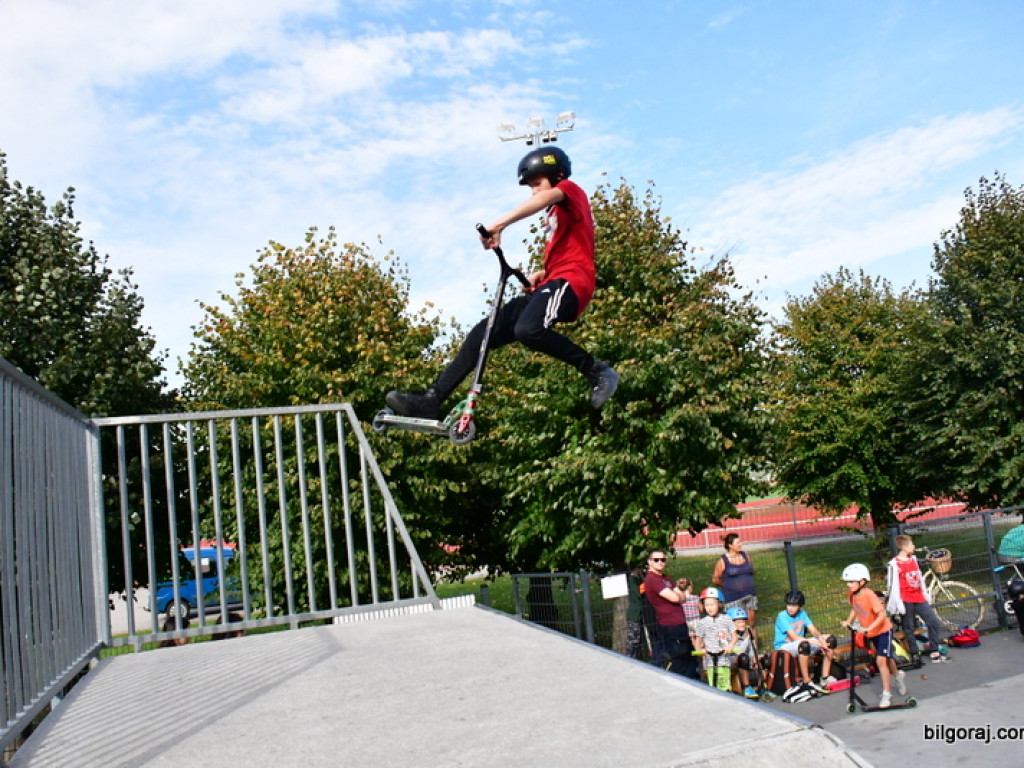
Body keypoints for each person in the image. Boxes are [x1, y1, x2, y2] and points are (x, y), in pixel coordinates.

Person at [385, 146, 619, 420]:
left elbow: (549, 203)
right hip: (554, 280)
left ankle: (596, 370)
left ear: (557, 176)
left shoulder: (570, 190)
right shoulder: (557, 216)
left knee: (528, 330)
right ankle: (431, 400)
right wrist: (540, 275)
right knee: (484, 332)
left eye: (537, 184)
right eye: (530, 187)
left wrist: (499, 224)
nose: (535, 192)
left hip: (573, 283)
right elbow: (568, 249)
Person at [842, 563, 907, 709]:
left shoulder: (869, 595)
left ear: (862, 581)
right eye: (848, 581)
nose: (849, 584)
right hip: (871, 632)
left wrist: (869, 627)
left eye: (852, 581)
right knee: (887, 659)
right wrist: (849, 621)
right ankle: (897, 675)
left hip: (883, 630)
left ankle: (886, 695)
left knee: (880, 661)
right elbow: (855, 608)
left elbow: (882, 615)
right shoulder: (852, 594)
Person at [886, 535, 951, 663]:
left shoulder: (913, 560)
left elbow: (920, 578)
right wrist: (898, 602)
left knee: (933, 622)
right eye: (911, 544)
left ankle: (934, 649)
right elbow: (892, 584)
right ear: (904, 547)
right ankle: (914, 652)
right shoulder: (895, 564)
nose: (913, 547)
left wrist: (925, 593)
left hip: (919, 597)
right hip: (906, 599)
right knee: (909, 627)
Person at [642, 549, 697, 678]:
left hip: (680, 622)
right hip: (670, 624)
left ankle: (693, 681)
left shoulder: (665, 578)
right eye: (656, 560)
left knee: (689, 657)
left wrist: (679, 595)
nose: (660, 562)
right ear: (650, 562)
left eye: (663, 560)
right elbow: (676, 598)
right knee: (679, 658)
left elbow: (682, 596)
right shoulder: (652, 579)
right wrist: (679, 595)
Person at [773, 590, 834, 692]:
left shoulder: (802, 614)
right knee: (804, 645)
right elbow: (794, 637)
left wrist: (821, 640)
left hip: (799, 643)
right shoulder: (782, 616)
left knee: (830, 640)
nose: (790, 608)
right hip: (784, 647)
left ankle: (825, 678)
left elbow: (813, 630)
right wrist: (817, 643)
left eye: (794, 605)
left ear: (800, 606)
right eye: (789, 605)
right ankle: (807, 681)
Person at [711, 533, 758, 638]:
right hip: (733, 598)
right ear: (730, 545)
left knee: (751, 624)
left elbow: (752, 570)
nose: (740, 544)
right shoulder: (723, 560)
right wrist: (728, 585)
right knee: (737, 625)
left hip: (749, 595)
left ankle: (754, 648)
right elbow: (715, 579)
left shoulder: (745, 555)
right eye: (738, 543)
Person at [692, 587, 737, 692]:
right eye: (706, 605)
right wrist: (700, 650)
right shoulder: (702, 623)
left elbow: (734, 637)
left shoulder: (726, 619)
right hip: (710, 660)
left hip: (723, 659)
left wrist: (730, 646)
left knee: (724, 685)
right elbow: (698, 641)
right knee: (713, 687)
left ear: (719, 604)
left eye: (712, 605)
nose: (709, 608)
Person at [727, 606, 760, 699]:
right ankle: (747, 687)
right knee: (743, 658)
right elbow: (739, 652)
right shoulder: (730, 635)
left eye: (743, 622)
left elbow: (752, 648)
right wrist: (747, 639)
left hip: (745, 658)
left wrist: (754, 658)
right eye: (738, 622)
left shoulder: (746, 632)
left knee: (763, 659)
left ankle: (762, 687)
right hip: (732, 660)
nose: (742, 624)